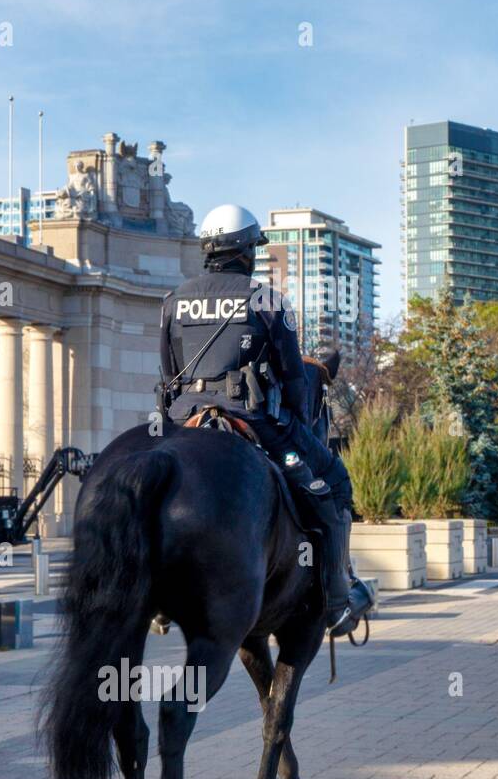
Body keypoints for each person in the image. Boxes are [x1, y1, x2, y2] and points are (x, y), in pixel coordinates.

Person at [159, 204, 372, 635]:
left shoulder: (173, 301)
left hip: (183, 421)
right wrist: (297, 424)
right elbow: (293, 379)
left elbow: (167, 376)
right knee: (334, 484)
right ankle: (337, 602)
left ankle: (159, 598)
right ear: (245, 252)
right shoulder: (267, 300)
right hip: (250, 417)